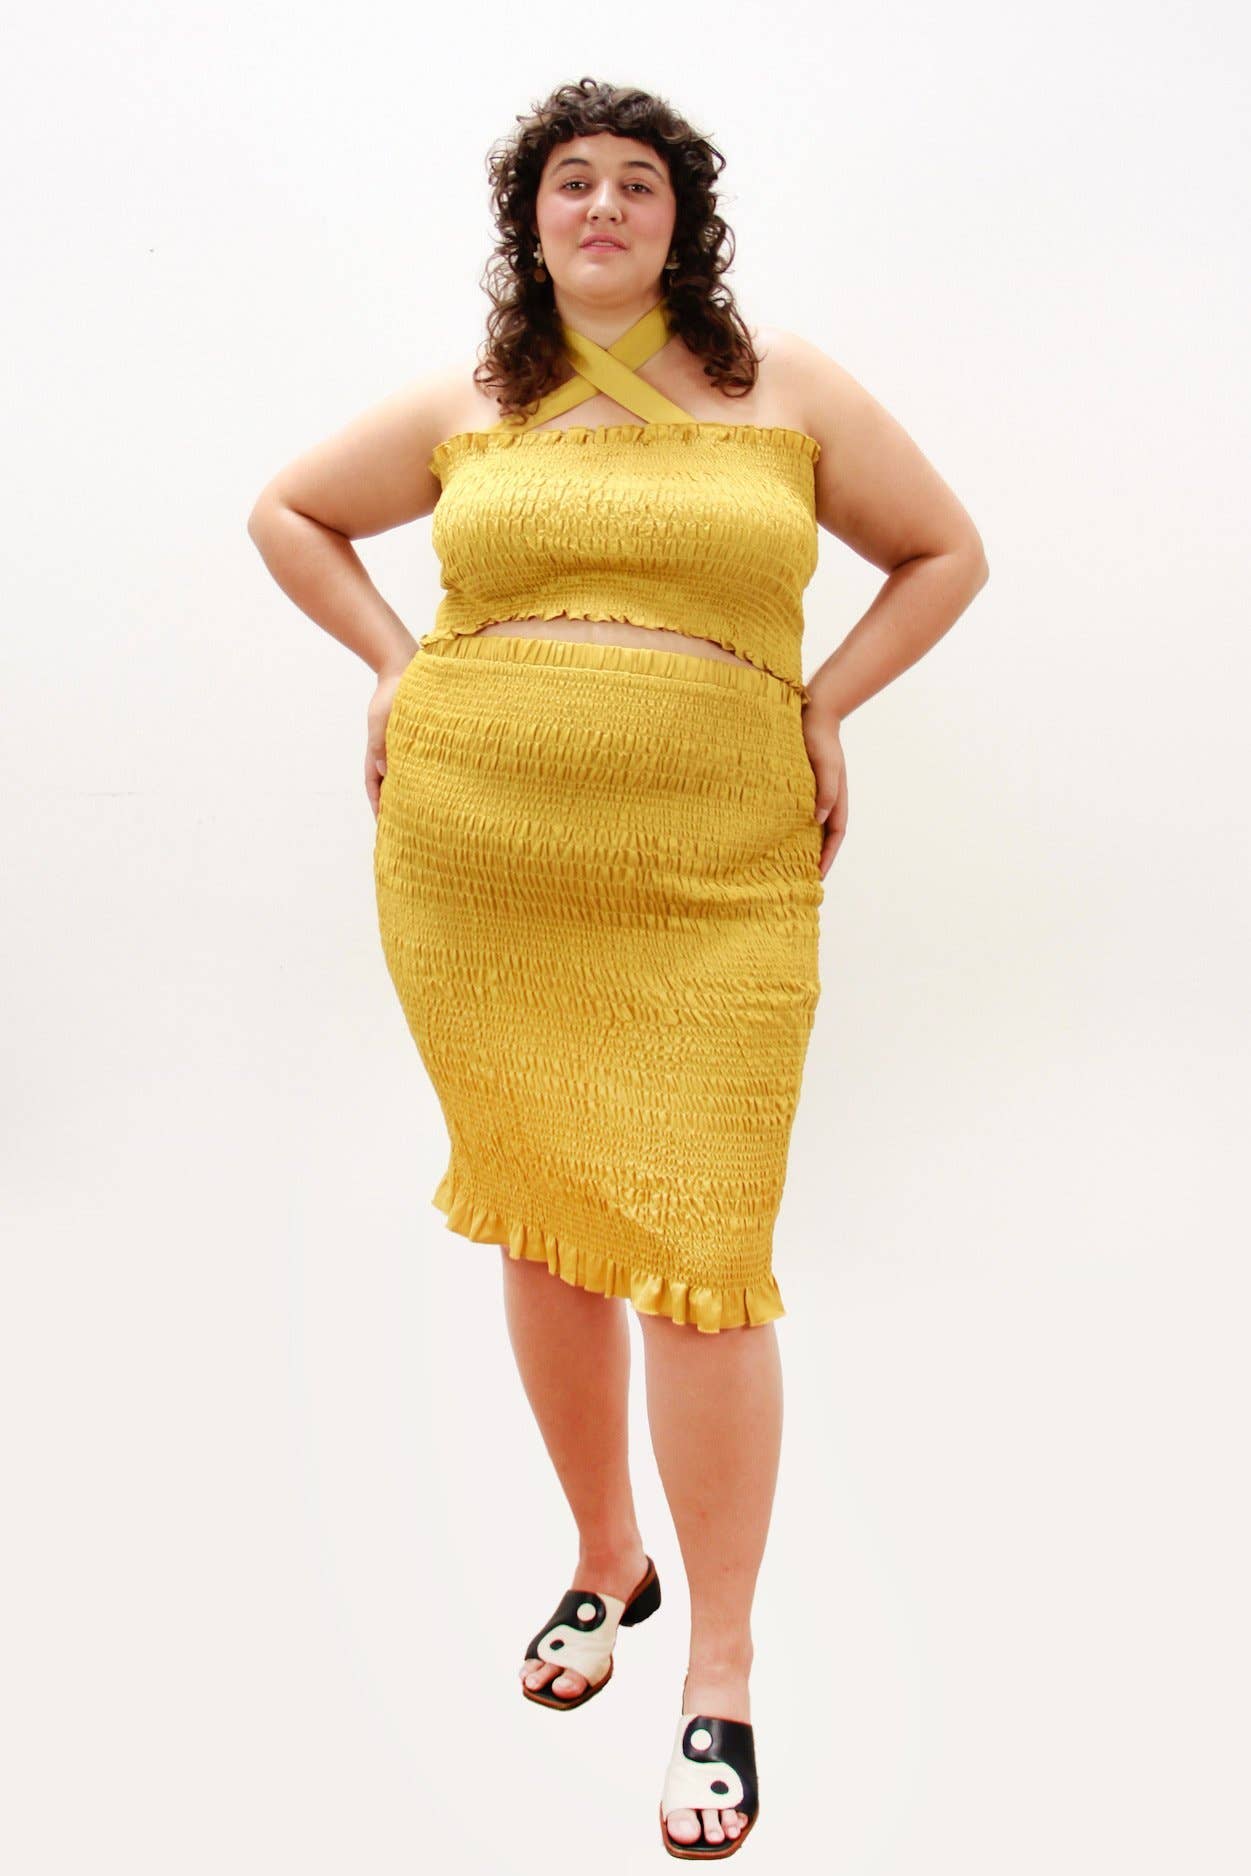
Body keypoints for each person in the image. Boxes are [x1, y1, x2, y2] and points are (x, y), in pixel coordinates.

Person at [247, 75, 988, 1861]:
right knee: (546, 1219)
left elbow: (946, 553)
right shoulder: (473, 399)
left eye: (636, 182)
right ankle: (606, 1559)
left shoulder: (782, 388)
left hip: (718, 876)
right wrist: (393, 664)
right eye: (570, 181)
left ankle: (720, 1667)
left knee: (704, 1264)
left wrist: (822, 701)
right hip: (479, 871)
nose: (601, 206)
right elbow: (288, 514)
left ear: (681, 220)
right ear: (531, 219)